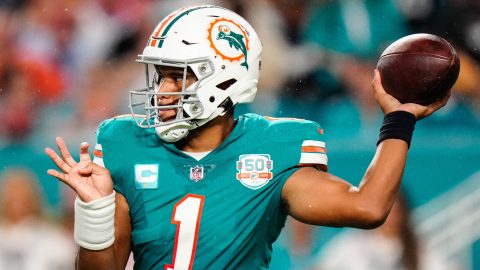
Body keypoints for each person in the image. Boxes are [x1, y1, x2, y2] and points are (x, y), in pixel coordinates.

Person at [44, 5, 450, 269]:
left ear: (224, 79)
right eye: (160, 75)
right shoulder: (125, 143)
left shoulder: (273, 148)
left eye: (177, 76)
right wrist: (95, 211)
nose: (162, 91)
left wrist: (398, 119)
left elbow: (368, 207)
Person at [311, 191, 459, 270]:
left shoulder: (418, 249)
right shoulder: (353, 243)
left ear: (404, 213)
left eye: (396, 211)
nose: (391, 217)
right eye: (387, 210)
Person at [0, 168, 76, 270]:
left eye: (22, 197)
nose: (17, 202)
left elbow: (70, 260)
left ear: (33, 200)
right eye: (12, 197)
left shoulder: (53, 237)